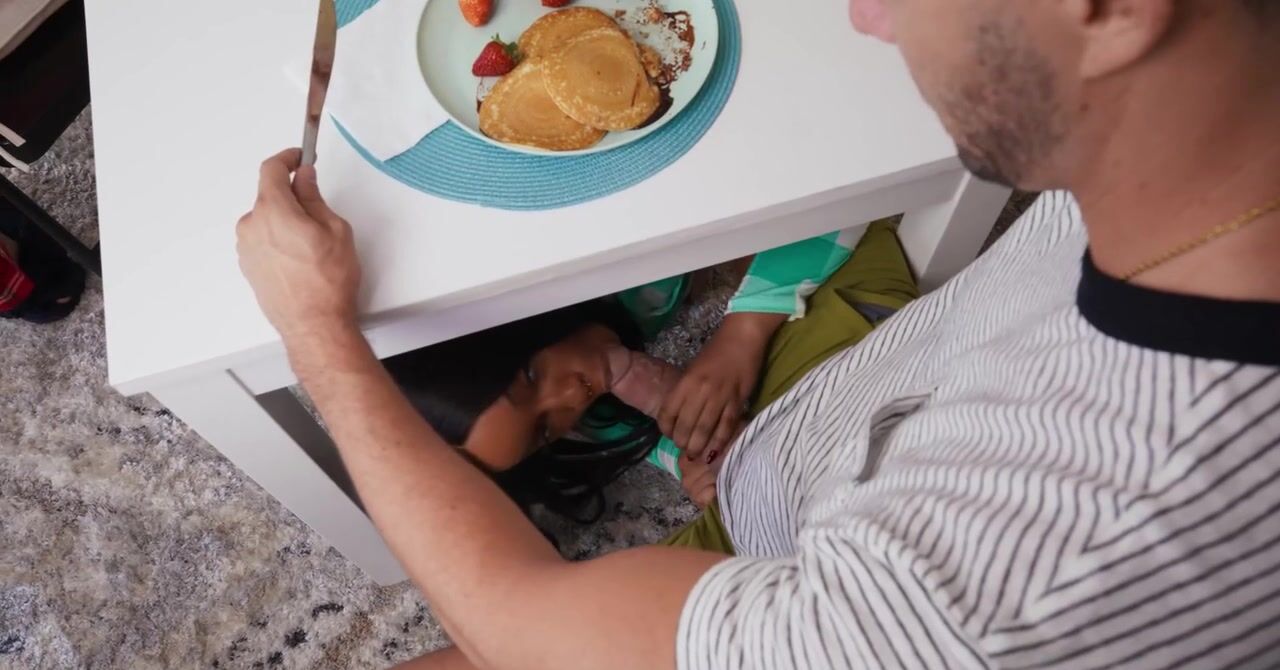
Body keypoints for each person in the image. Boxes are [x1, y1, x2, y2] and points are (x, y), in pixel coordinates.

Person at [235, 0, 1280, 667]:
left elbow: (524, 622)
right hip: (790, 484)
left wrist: (317, 334)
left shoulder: (1012, 585)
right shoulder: (1197, 171)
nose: (866, 17)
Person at [382, 226, 888, 520]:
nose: (569, 397)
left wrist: (745, 330)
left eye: (532, 378)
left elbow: (840, 206)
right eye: (545, 429)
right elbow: (653, 439)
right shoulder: (588, 412)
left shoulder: (594, 254)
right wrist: (694, 461)